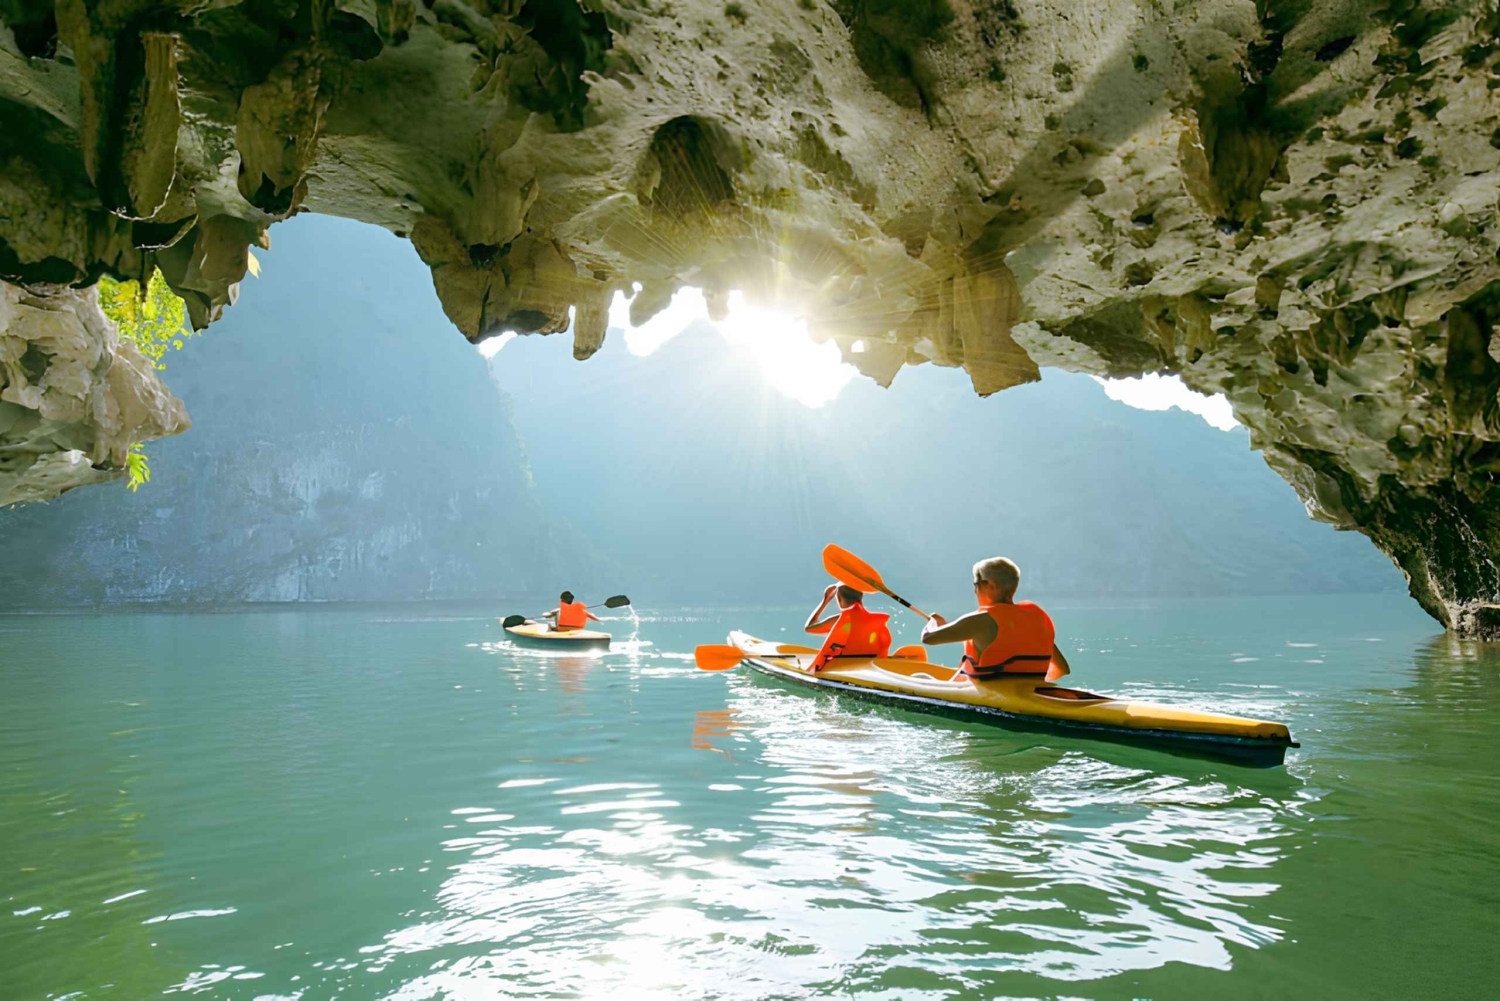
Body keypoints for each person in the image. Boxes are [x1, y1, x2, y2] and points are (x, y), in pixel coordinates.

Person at [920, 557, 1071, 683]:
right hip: (1028, 695)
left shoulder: (979, 621)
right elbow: (1061, 669)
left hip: (989, 695)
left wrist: (933, 623)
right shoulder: (1037, 619)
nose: (975, 590)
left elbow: (928, 638)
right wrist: (1029, 688)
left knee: (919, 677)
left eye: (976, 584)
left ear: (991, 585)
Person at [804, 583, 892, 671]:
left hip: (841, 671)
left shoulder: (839, 620)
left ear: (839, 598)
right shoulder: (876, 621)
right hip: (871, 670)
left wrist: (825, 600)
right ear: (861, 598)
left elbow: (809, 627)